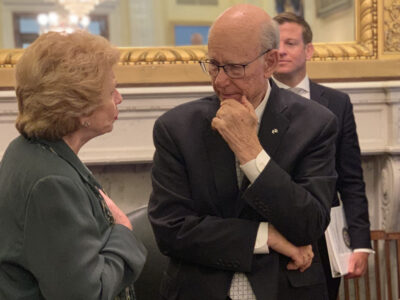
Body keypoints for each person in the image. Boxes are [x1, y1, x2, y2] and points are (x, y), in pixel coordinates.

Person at [149, 4, 338, 300]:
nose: (220, 81)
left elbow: (309, 223)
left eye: (235, 68)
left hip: (286, 289)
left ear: (270, 62)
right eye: (213, 64)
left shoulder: (315, 124)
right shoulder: (176, 128)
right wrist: (266, 236)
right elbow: (170, 230)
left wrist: (251, 153)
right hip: (199, 289)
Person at [0, 31, 147, 300]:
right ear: (80, 109)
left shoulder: (26, 150)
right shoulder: (52, 183)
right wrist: (124, 231)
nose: (119, 98)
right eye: (111, 90)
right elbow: (87, 293)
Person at [272, 12, 373, 300]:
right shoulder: (256, 100)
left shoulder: (337, 104)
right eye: (275, 44)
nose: (280, 51)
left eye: (290, 43)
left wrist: (361, 245)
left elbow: (351, 179)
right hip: (273, 236)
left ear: (309, 50)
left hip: (325, 237)